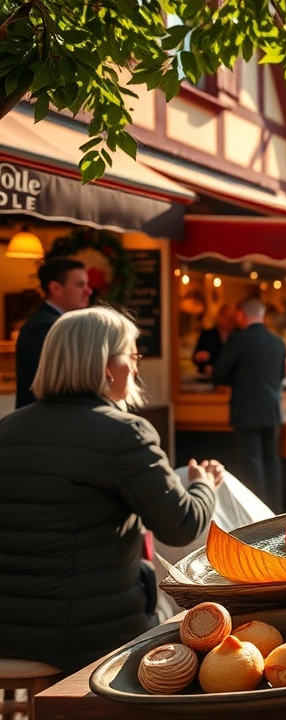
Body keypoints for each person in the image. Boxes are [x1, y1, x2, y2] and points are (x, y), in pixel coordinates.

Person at [0, 306, 221, 672]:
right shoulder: (124, 433)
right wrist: (204, 486)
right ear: (107, 366)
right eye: (132, 357)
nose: (136, 369)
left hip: (8, 630)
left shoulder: (7, 429)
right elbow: (182, 526)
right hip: (89, 636)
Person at [212, 297, 286, 512]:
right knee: (272, 461)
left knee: (251, 464)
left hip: (246, 410)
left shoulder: (238, 340)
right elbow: (281, 376)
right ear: (262, 315)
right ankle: (276, 510)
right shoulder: (278, 342)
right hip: (272, 409)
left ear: (241, 315)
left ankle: (258, 514)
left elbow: (219, 374)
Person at [14, 257, 94, 409]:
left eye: (87, 284)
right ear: (56, 288)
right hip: (45, 419)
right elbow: (63, 381)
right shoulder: (44, 327)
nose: (88, 291)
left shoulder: (57, 322)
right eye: (80, 285)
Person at [192, 303, 238, 375]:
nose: (228, 321)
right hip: (209, 378)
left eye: (232, 319)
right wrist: (203, 364)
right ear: (219, 316)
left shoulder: (239, 336)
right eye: (225, 316)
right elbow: (196, 358)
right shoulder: (207, 335)